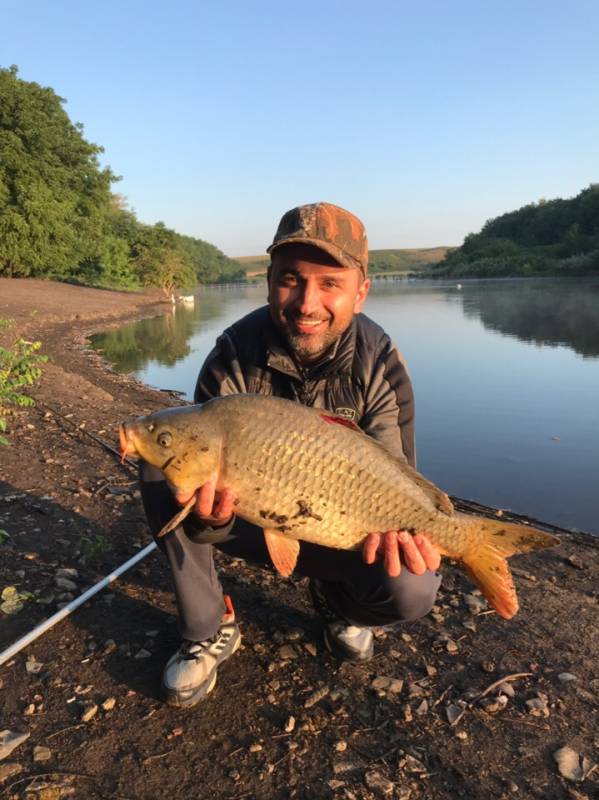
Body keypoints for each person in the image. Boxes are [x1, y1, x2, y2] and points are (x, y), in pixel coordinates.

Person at [140, 202, 442, 708]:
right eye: (290, 280)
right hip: (250, 515)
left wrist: (416, 532)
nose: (306, 302)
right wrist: (210, 521)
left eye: (329, 284)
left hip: (346, 523)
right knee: (160, 463)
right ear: (268, 281)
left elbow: (396, 475)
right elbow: (200, 470)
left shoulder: (380, 363)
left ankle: (338, 603)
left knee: (412, 588)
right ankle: (207, 626)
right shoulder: (233, 355)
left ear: (361, 292)